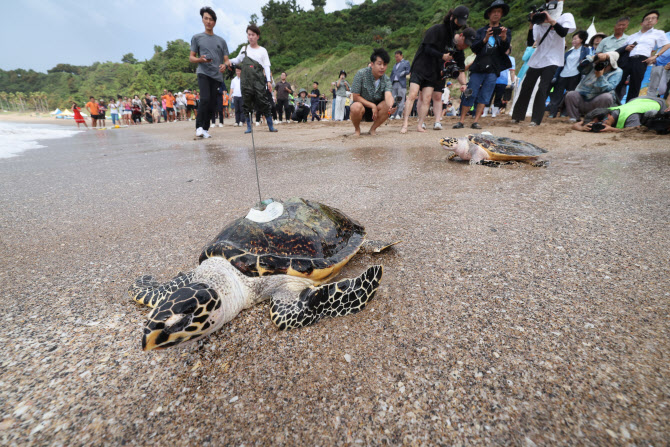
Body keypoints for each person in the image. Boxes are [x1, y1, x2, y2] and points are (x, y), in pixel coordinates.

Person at [401, 6, 473, 133]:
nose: (458, 25)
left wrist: (464, 84)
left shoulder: (453, 41)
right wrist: (442, 56)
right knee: (413, 95)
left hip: (434, 71)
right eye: (458, 22)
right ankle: (405, 124)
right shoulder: (436, 29)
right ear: (452, 17)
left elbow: (460, 69)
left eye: (461, 23)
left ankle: (420, 125)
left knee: (428, 98)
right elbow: (426, 49)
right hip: (420, 67)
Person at [512, 1, 576, 126]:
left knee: (543, 88)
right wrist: (532, 23)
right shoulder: (539, 22)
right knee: (526, 86)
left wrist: (551, 21)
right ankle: (517, 116)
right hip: (537, 59)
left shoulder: (565, 17)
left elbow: (563, 32)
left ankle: (536, 120)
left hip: (553, 59)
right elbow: (531, 41)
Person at [455, 0, 512, 129]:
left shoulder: (506, 32)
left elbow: (504, 49)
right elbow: (474, 48)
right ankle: (462, 120)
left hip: (493, 69)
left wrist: (503, 38)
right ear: (489, 14)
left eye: (499, 12)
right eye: (494, 12)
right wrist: (485, 39)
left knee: (485, 95)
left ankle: (475, 121)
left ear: (501, 15)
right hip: (478, 67)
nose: (496, 14)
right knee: (470, 93)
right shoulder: (481, 31)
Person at [229, 24, 278, 133]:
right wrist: (228, 61)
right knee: (246, 104)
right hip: (246, 82)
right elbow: (237, 60)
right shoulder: (244, 48)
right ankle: (249, 127)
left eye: (253, 35)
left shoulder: (263, 50)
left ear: (257, 36)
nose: (250, 37)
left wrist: (269, 81)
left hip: (259, 81)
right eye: (249, 35)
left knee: (264, 102)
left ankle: (270, 126)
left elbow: (267, 66)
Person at [189, 7, 230, 138]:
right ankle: (199, 127)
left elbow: (227, 60)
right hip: (203, 72)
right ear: (202, 20)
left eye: (211, 19)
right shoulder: (197, 38)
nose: (208, 21)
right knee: (205, 99)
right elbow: (191, 57)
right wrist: (200, 59)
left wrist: (225, 65)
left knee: (212, 103)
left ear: (214, 22)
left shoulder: (221, 41)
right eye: (206, 18)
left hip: (217, 75)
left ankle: (205, 129)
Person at [617, 10, 670, 102]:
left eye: (653, 18)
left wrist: (656, 56)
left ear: (656, 21)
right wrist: (627, 48)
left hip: (641, 60)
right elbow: (622, 48)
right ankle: (614, 105)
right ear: (642, 23)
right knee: (619, 83)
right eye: (647, 19)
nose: (650, 20)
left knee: (635, 85)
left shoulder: (658, 33)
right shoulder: (632, 36)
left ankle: (629, 107)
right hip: (627, 59)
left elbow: (667, 44)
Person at [563, 52, 623, 122]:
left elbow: (609, 88)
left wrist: (600, 77)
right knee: (571, 94)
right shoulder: (594, 65)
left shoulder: (617, 71)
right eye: (602, 62)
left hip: (598, 101)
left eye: (606, 63)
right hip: (583, 99)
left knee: (607, 97)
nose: (603, 65)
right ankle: (574, 118)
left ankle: (597, 118)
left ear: (611, 64)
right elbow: (580, 68)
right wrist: (594, 58)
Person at [350, 48, 396, 136]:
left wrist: (391, 106)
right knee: (355, 106)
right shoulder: (361, 74)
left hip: (376, 111)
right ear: (372, 64)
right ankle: (357, 130)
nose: (382, 67)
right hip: (361, 108)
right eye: (379, 64)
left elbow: (388, 95)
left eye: (385, 64)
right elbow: (355, 96)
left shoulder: (386, 79)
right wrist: (372, 105)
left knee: (387, 105)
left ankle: (373, 129)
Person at [547, 30, 589, 118]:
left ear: (581, 39)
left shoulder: (586, 50)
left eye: (575, 39)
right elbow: (561, 65)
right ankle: (552, 112)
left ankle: (565, 112)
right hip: (563, 75)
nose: (573, 41)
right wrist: (556, 76)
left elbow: (587, 62)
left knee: (570, 95)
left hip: (575, 75)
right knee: (556, 94)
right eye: (573, 39)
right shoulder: (568, 52)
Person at [571, 95, 668, 132]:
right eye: (596, 122)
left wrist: (612, 129)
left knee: (651, 116)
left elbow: (635, 129)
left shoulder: (630, 115)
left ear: (608, 115)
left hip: (658, 103)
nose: (601, 124)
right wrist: (582, 127)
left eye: (602, 121)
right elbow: (575, 125)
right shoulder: (602, 113)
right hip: (636, 100)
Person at [484, 47, 515, 117]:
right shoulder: (494, 56)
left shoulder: (511, 59)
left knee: (498, 96)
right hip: (492, 79)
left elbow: (512, 71)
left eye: (507, 49)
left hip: (503, 80)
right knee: (489, 96)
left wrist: (513, 82)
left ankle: (494, 112)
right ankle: (485, 111)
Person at [389, 51, 411, 119]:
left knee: (400, 98)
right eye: (395, 57)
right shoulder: (394, 65)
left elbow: (409, 71)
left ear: (401, 56)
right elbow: (392, 74)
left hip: (401, 82)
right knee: (394, 99)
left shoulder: (406, 62)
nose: (397, 58)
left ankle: (399, 113)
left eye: (398, 56)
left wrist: (404, 73)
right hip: (394, 83)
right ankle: (393, 114)